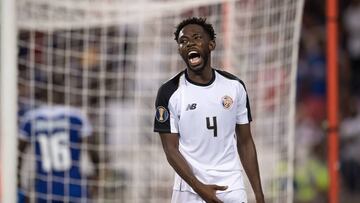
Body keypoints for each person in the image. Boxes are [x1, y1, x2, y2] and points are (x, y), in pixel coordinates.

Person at [153, 17, 264, 203]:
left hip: (230, 184)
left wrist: (259, 195)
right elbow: (170, 149)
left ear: (211, 44)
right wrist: (199, 187)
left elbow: (245, 142)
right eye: (183, 41)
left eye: (196, 38)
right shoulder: (169, 92)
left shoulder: (235, 86)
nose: (189, 44)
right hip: (188, 188)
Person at [17, 88, 99, 203]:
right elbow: (94, 151)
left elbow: (18, 154)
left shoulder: (31, 119)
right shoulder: (76, 117)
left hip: (45, 189)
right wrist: (98, 176)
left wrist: (19, 184)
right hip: (74, 188)